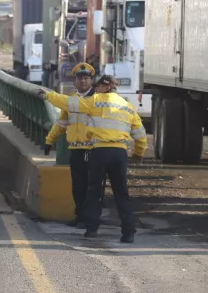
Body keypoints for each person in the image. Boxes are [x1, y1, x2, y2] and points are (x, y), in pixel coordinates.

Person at [39, 75, 147, 243]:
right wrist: (138, 154)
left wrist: (48, 95)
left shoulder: (94, 101)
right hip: (120, 152)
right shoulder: (128, 107)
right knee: (121, 193)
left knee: (94, 190)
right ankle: (128, 233)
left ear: (106, 87)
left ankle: (91, 230)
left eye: (98, 86)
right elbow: (140, 136)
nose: (95, 89)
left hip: (99, 151)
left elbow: (68, 103)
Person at [44, 63, 96, 228]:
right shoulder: (71, 100)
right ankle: (80, 216)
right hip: (76, 149)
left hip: (95, 150)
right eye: (80, 78)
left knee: (93, 186)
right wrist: (49, 140)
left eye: (86, 78)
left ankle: (92, 218)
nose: (83, 82)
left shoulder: (99, 99)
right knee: (78, 186)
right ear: (75, 82)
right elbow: (61, 124)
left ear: (91, 81)